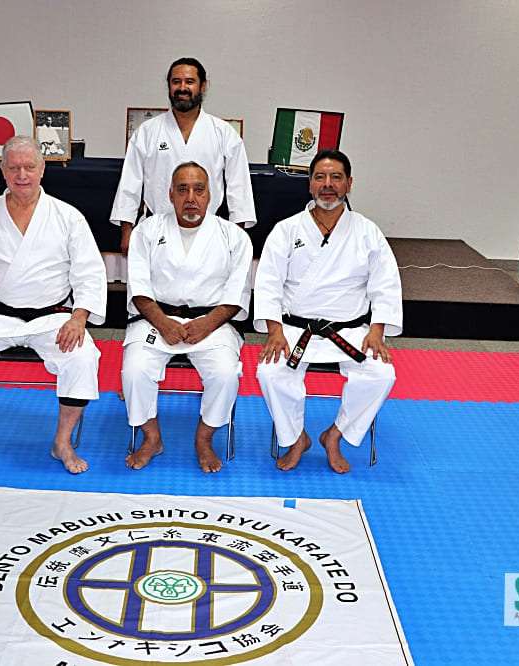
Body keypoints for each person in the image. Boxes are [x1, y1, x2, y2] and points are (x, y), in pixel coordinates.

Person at [0, 136, 106, 474]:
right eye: (14, 168)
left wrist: (79, 318)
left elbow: (89, 273)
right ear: (2, 171)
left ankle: (62, 442)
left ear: (42, 169)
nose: (22, 175)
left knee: (83, 357)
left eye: (29, 167)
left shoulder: (67, 217)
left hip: (53, 317)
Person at [254, 150, 401, 474]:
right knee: (270, 372)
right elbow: (267, 282)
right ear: (309, 184)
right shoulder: (286, 230)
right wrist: (274, 330)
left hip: (349, 330)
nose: (328, 184)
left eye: (336, 177)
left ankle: (335, 435)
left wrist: (377, 330)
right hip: (296, 329)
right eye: (320, 177)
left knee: (381, 374)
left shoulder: (367, 232)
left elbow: (385, 283)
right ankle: (296, 438)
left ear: (349, 183)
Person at [121, 162, 252, 473]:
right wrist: (163, 323)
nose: (190, 197)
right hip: (155, 319)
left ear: (210, 195)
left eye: (198, 190)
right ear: (170, 195)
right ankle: (152, 437)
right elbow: (138, 287)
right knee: (135, 370)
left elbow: (237, 293)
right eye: (182, 190)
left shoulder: (234, 236)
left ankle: (204, 439)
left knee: (225, 373)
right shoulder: (147, 231)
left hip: (213, 322)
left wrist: (207, 324)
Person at [110, 57, 256, 255]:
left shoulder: (223, 133)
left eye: (189, 82)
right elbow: (130, 184)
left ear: (203, 86)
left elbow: (239, 188)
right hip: (157, 230)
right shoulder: (147, 132)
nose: (182, 88)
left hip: (208, 232)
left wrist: (237, 237)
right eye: (176, 82)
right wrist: (127, 232)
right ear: (169, 86)